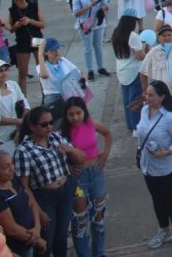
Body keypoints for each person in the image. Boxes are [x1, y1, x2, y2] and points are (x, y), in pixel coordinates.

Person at [14, 106, 86, 257]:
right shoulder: (24, 150)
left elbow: (81, 159)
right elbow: (24, 185)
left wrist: (70, 150)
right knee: (47, 239)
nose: (49, 127)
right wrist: (38, 211)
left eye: (50, 123)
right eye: (44, 124)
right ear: (32, 127)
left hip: (65, 190)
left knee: (61, 237)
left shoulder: (55, 138)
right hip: (44, 196)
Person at [136, 80, 172, 253]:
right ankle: (164, 230)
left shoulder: (170, 118)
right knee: (157, 200)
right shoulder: (145, 110)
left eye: (151, 95)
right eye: (147, 94)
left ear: (162, 97)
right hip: (149, 165)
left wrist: (167, 152)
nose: (147, 97)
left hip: (170, 167)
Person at [60, 97, 111, 257]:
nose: (75, 117)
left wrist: (105, 155)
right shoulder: (62, 133)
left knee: (99, 216)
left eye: (78, 113)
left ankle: (99, 252)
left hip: (96, 174)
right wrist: (67, 167)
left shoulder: (91, 123)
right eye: (71, 114)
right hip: (78, 180)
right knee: (80, 220)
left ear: (84, 112)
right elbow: (56, 154)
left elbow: (107, 133)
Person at [0, 149, 46, 256]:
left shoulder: (13, 181)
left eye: (12, 163)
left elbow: (30, 202)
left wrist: (37, 227)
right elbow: (11, 229)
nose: (12, 169)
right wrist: (37, 240)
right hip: (18, 247)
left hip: (32, 237)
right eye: (5, 167)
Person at [71, 0, 110, 81]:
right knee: (87, 48)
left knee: (98, 46)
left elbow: (104, 3)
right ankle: (90, 70)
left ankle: (101, 67)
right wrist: (89, 6)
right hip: (86, 24)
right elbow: (76, 13)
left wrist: (104, 7)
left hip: (98, 23)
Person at [112, 14, 147, 132]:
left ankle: (130, 124)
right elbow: (140, 56)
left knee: (127, 99)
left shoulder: (116, 33)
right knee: (136, 100)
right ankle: (137, 126)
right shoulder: (133, 36)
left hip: (121, 70)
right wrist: (148, 51)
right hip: (134, 71)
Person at [8, 0, 45, 95]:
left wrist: (30, 21)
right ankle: (23, 100)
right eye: (16, 1)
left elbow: (42, 24)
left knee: (42, 70)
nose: (19, 3)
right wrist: (16, 25)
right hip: (22, 41)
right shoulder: (12, 11)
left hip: (36, 38)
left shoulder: (34, 7)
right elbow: (11, 29)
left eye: (21, 0)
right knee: (22, 72)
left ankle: (46, 95)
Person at [34, 38, 80, 122]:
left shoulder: (63, 61)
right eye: (53, 50)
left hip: (67, 93)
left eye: (57, 48)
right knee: (57, 123)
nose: (57, 52)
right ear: (46, 53)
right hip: (53, 97)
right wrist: (40, 54)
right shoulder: (41, 67)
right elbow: (44, 75)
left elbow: (78, 72)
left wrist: (83, 78)